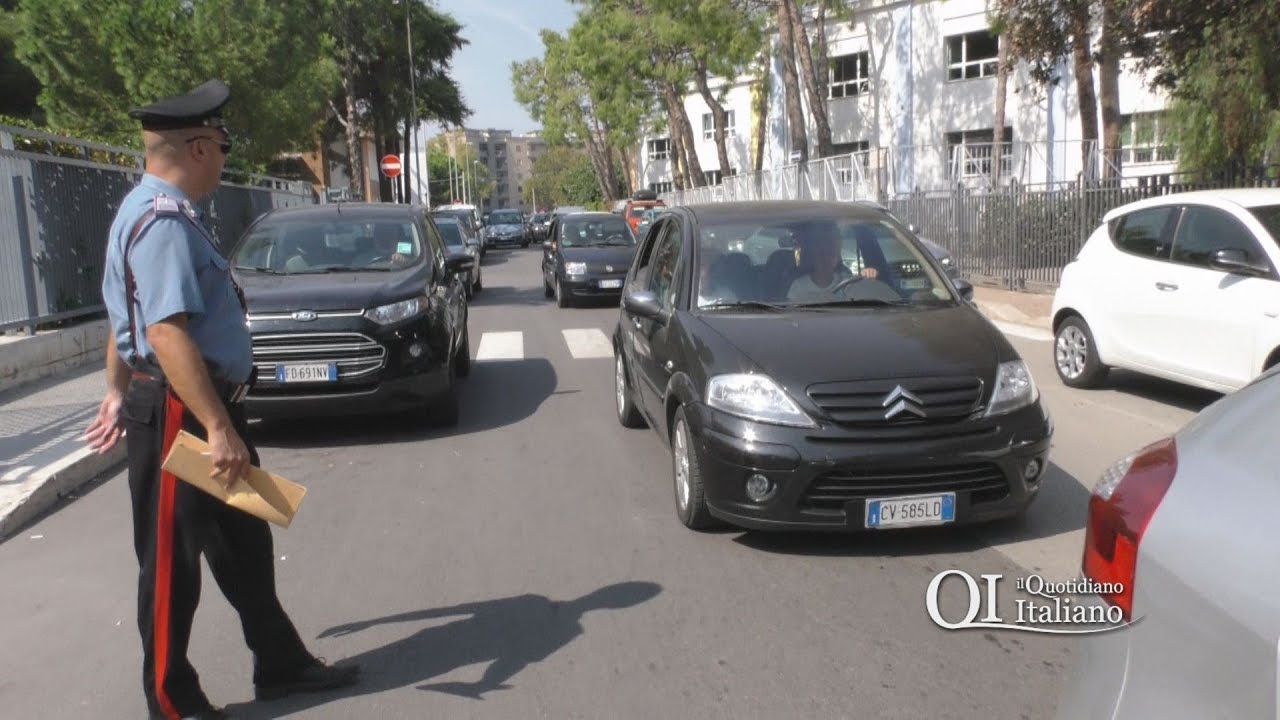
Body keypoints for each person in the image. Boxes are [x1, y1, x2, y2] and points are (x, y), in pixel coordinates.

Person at [83, 79, 359, 720]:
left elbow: (125, 316)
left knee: (244, 545)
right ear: (200, 147)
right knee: (171, 568)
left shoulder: (153, 211)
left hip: (198, 406)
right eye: (223, 146)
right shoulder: (161, 222)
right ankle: (172, 703)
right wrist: (216, 425)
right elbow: (162, 330)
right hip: (185, 413)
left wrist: (112, 392)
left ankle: (281, 664)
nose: (226, 159)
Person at [786, 221, 891, 303]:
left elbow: (865, 294)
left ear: (837, 259)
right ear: (814, 258)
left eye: (832, 255)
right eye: (823, 256)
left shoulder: (849, 282)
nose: (827, 259)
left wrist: (869, 275)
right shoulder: (799, 286)